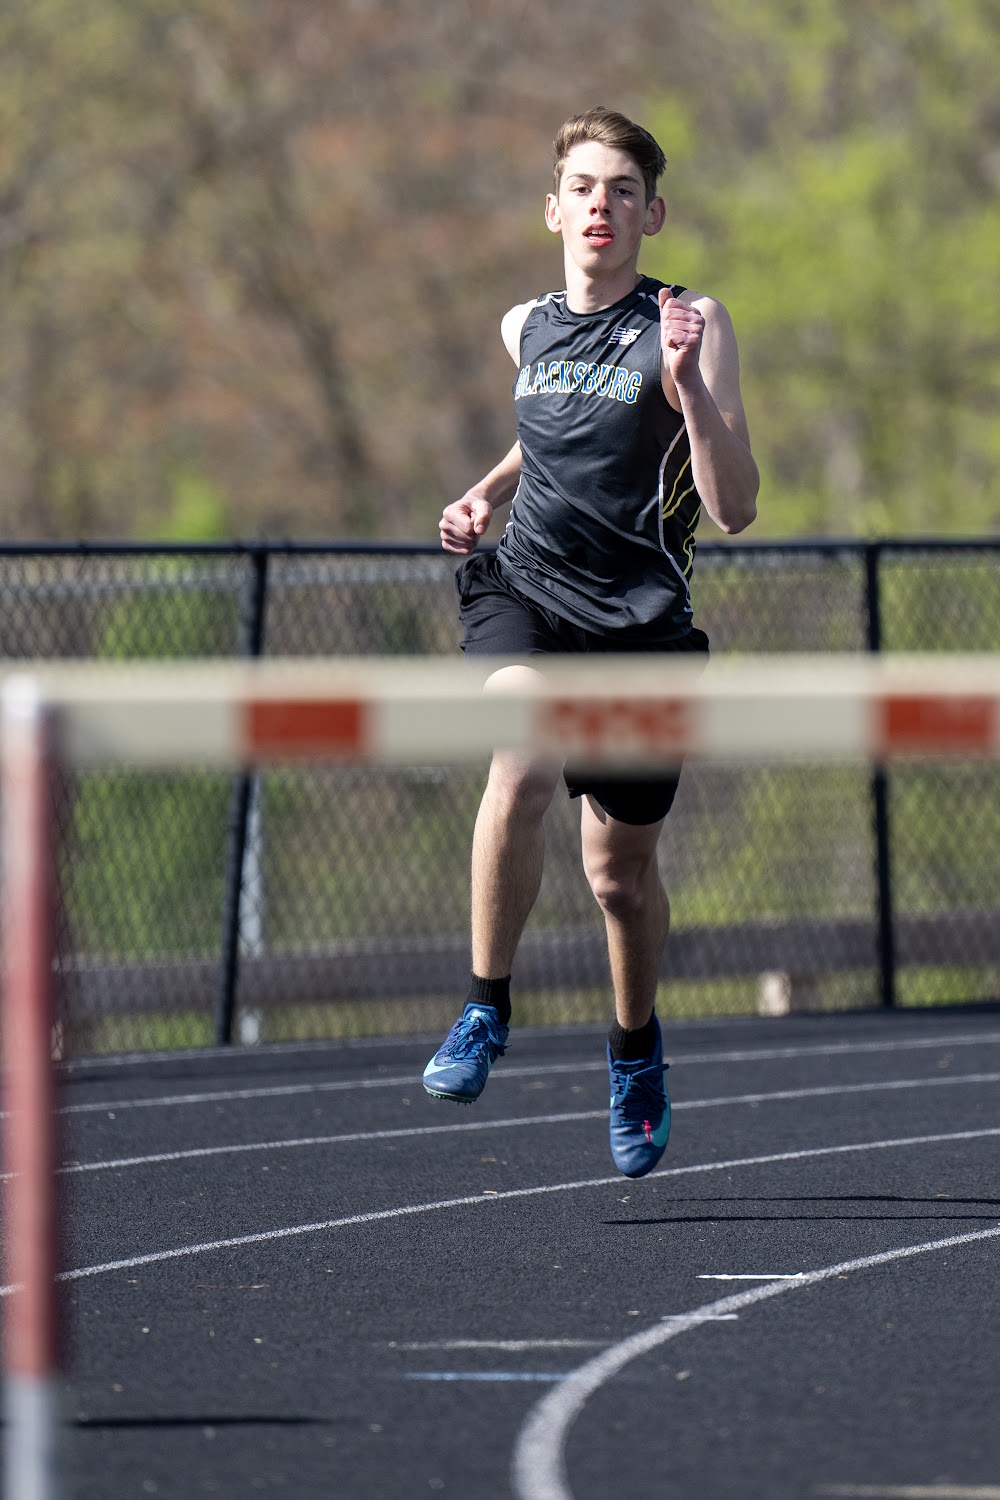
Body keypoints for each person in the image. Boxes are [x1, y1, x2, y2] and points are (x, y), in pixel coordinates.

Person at [422, 106, 759, 1178]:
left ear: (651, 214)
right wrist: (482, 494)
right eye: (582, 188)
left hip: (640, 628)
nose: (599, 205)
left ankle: (633, 1049)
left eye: (621, 189)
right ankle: (485, 1006)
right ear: (552, 210)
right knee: (521, 752)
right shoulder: (523, 326)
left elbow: (735, 506)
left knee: (617, 878)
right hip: (525, 591)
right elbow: (551, 429)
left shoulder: (691, 319)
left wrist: (687, 389)